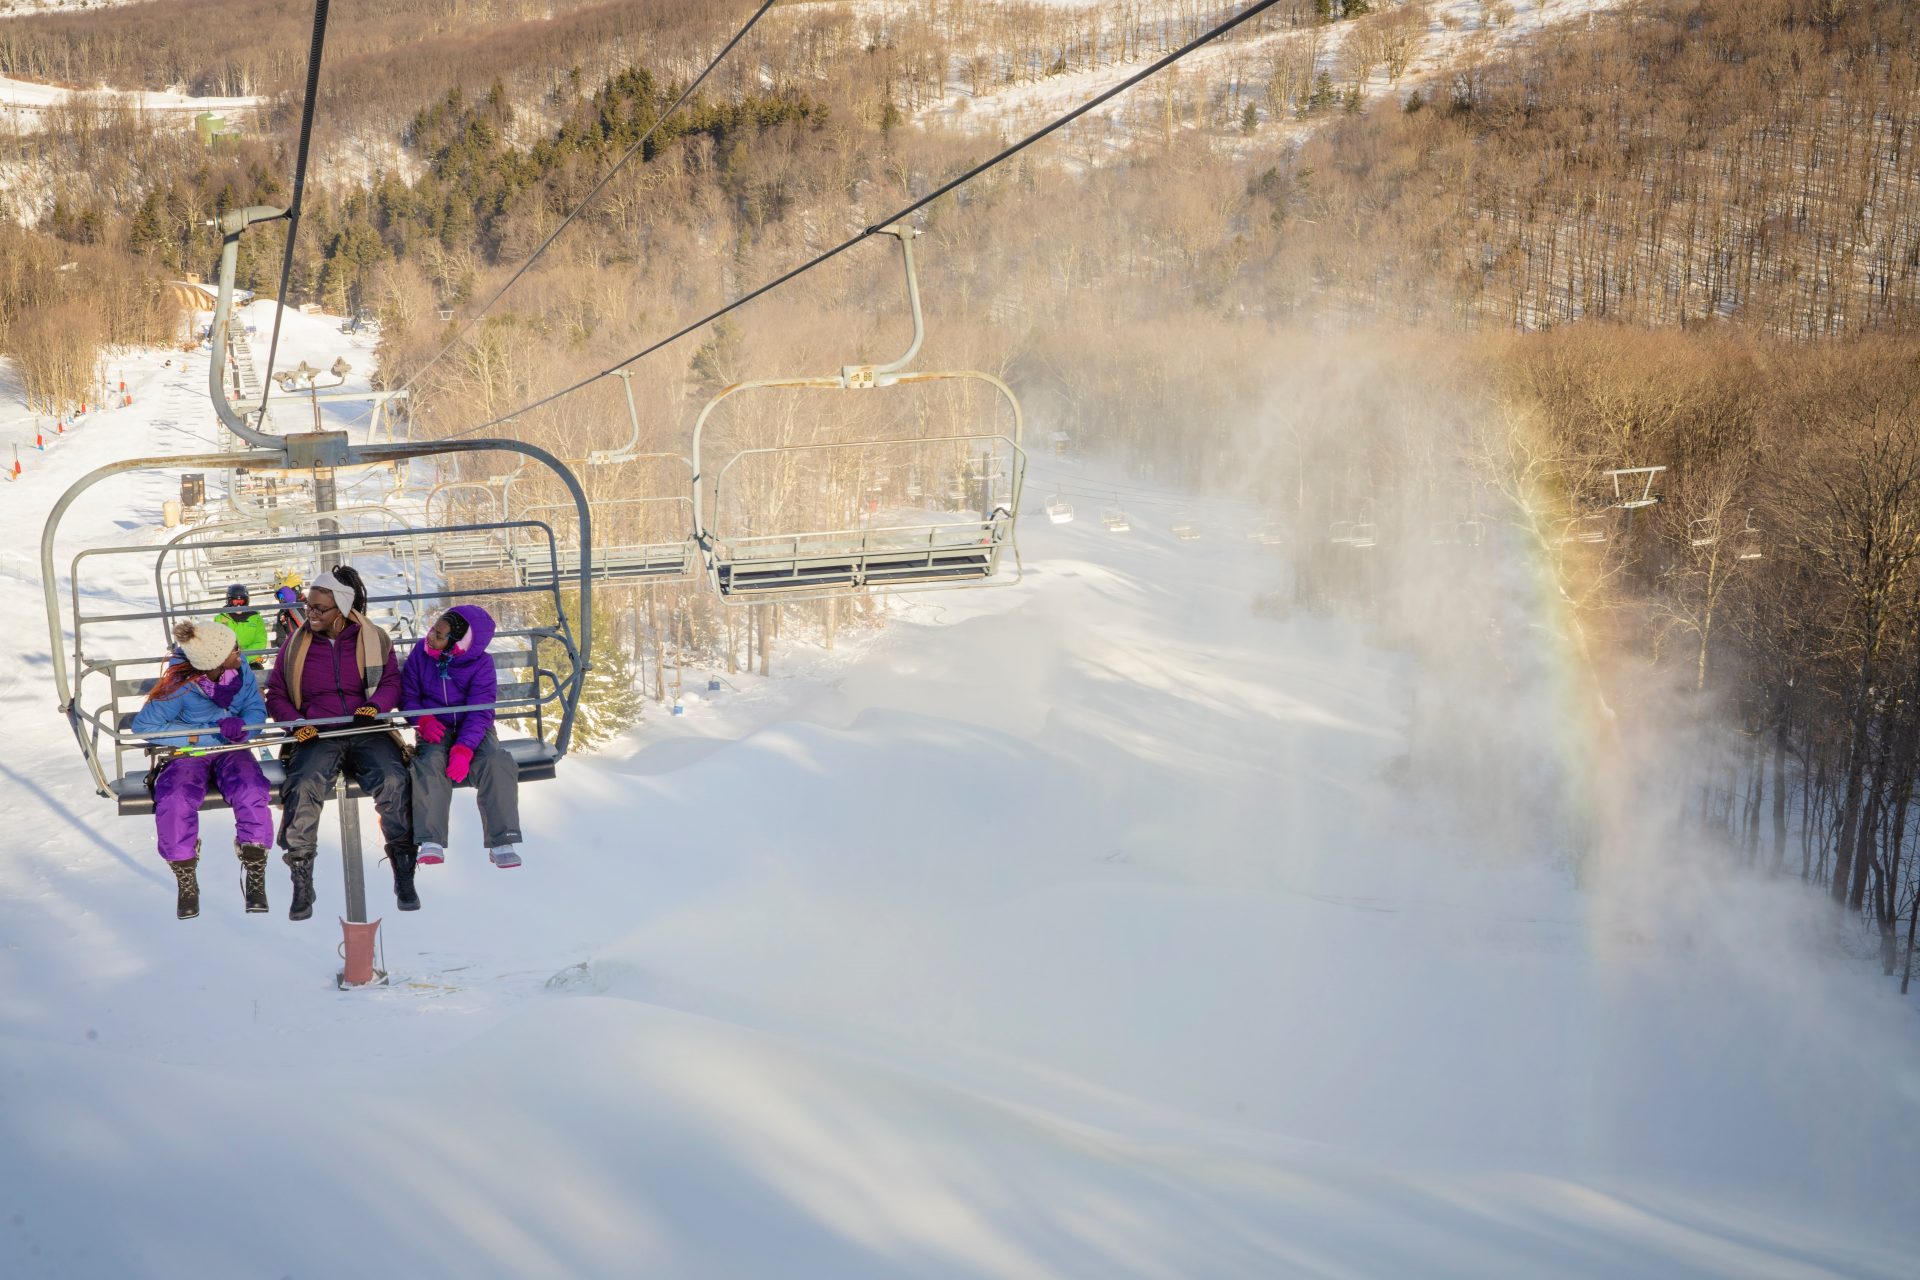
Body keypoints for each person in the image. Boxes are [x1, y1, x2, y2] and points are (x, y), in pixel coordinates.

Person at [265, 565, 419, 920]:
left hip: (366, 727)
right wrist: (296, 723)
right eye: (309, 607)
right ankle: (302, 875)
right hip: (318, 731)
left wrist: (375, 706)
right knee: (303, 784)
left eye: (320, 609)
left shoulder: (373, 638)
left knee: (394, 779)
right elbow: (276, 693)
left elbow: (391, 683)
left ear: (343, 610)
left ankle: (403, 867)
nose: (311, 614)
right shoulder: (296, 644)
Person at [130, 619, 274, 920]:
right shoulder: (179, 686)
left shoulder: (240, 669)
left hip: (230, 749)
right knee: (175, 797)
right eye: (235, 649)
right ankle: (185, 874)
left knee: (250, 787)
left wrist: (244, 730)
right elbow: (144, 725)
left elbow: (255, 708)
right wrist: (200, 734)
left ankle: (255, 863)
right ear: (214, 661)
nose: (240, 652)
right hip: (189, 752)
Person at [402, 605, 523, 868]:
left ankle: (502, 839)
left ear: (456, 645)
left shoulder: (481, 664)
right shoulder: (420, 655)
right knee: (430, 761)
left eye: (439, 635)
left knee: (495, 761)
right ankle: (431, 839)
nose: (431, 637)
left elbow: (481, 709)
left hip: (474, 727)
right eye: (433, 629)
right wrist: (422, 719)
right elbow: (408, 696)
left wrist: (465, 748)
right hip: (435, 725)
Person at [214, 583, 270, 669]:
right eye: (235, 602)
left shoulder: (255, 618)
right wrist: (231, 659)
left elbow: (260, 642)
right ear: (229, 601)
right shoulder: (220, 619)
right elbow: (217, 642)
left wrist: (243, 658)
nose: (239, 605)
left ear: (247, 601)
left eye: (241, 602)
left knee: (255, 671)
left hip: (250, 661)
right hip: (228, 662)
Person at [271, 570, 306, 648]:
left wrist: (292, 606)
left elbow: (305, 625)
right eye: (279, 596)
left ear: (295, 591)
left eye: (285, 594)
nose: (281, 599)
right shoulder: (282, 614)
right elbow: (280, 637)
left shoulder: (308, 606)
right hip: (294, 651)